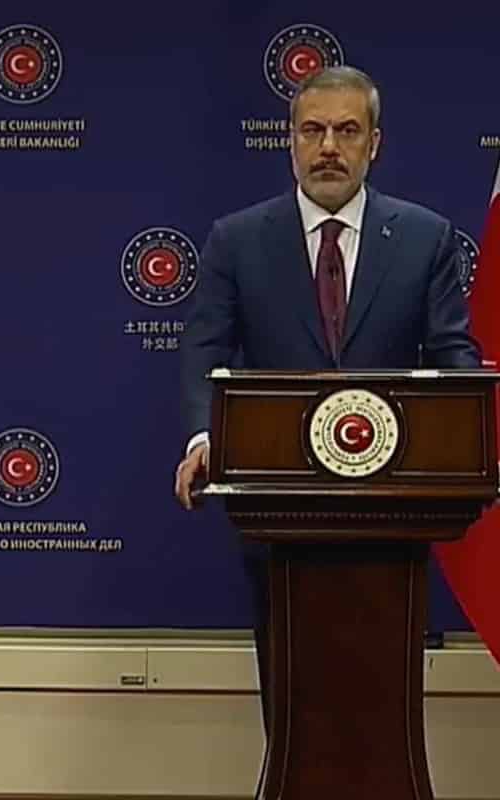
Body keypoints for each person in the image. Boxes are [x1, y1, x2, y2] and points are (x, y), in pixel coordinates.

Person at [173, 66, 480, 728]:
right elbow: (204, 353)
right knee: (294, 702)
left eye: (347, 131)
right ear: (290, 141)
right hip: (279, 512)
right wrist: (205, 437)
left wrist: (471, 442)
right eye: (313, 131)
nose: (329, 148)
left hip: (391, 519)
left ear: (375, 143)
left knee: (378, 705)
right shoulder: (237, 240)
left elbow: (453, 357)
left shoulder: (425, 237)